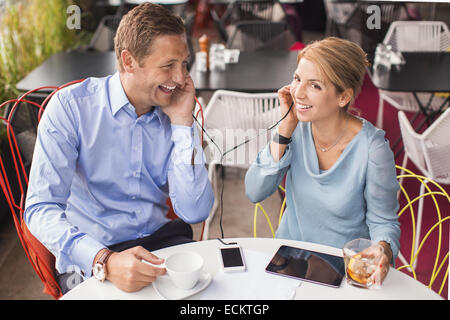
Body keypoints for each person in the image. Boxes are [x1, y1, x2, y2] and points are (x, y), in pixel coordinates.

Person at [24, 3, 214, 294]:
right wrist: (104, 260)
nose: (180, 78)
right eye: (168, 65)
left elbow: (195, 211)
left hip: (162, 244)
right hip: (94, 254)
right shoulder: (70, 108)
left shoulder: (177, 112)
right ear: (129, 61)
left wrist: (182, 124)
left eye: (184, 64)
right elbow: (40, 209)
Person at [245, 37, 400, 284]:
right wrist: (285, 127)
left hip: (342, 265)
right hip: (289, 257)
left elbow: (384, 221)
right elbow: (254, 191)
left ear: (343, 97)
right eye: (297, 79)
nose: (298, 92)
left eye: (314, 86)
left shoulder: (372, 149)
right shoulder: (295, 128)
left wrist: (383, 248)